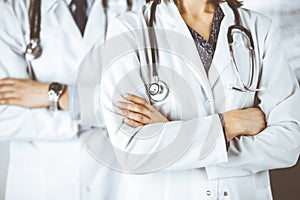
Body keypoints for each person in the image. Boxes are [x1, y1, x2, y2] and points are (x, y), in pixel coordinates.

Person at [100, 0, 300, 199]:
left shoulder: (259, 28)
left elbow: (289, 142)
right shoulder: (129, 30)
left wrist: (175, 142)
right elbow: (132, 149)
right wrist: (228, 125)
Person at [0, 0, 141, 199]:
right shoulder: (13, 11)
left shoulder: (138, 7)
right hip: (39, 187)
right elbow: (5, 118)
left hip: (113, 183)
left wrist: (59, 95)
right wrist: (101, 116)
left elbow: (145, 104)